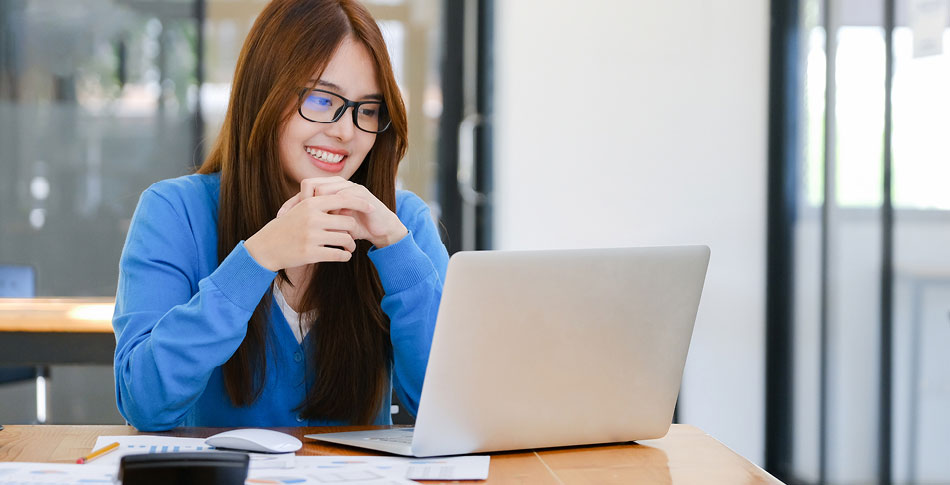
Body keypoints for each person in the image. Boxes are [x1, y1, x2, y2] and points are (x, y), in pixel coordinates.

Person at [112, 0, 449, 431]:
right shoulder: (175, 212)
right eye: (321, 98)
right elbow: (145, 401)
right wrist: (257, 259)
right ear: (263, 94)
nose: (346, 131)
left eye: (367, 110)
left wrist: (399, 256)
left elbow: (446, 412)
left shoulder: (402, 225)